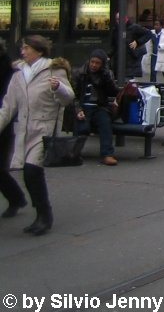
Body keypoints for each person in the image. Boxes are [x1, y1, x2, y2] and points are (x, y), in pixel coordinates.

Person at [0, 35, 75, 235]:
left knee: (32, 171)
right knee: (29, 173)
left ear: (39, 50)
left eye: (26, 48)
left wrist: (58, 87)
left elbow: (68, 98)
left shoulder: (54, 70)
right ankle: (40, 214)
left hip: (44, 130)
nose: (22, 52)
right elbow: (7, 107)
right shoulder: (18, 74)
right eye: (22, 48)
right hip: (24, 130)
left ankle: (45, 215)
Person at [72, 50, 120, 166]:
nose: (93, 65)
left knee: (105, 123)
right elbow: (74, 95)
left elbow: (113, 92)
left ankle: (107, 154)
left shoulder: (106, 74)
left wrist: (106, 78)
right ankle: (74, 152)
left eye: (97, 63)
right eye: (92, 62)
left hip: (100, 107)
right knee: (83, 126)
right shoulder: (80, 73)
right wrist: (78, 110)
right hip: (83, 106)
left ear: (102, 64)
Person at [0, 42, 28, 219]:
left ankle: (16, 197)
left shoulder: (7, 67)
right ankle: (16, 198)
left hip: (3, 120)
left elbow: (9, 100)